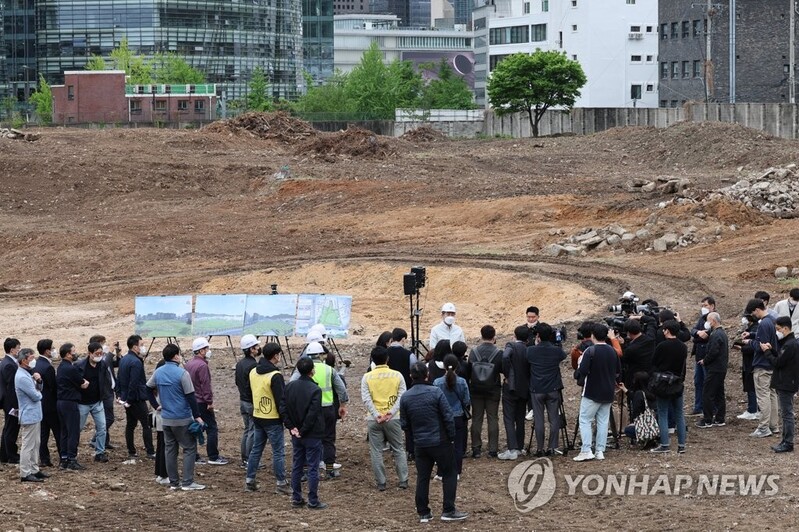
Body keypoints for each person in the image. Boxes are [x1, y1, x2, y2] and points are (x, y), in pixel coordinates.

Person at [400, 363, 467, 523]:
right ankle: (448, 510)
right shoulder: (435, 392)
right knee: (449, 473)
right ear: (427, 374)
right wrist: (450, 437)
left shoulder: (406, 397)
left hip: (420, 443)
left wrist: (414, 436)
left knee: (423, 477)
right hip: (440, 441)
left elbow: (404, 423)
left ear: (411, 376)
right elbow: (448, 416)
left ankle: (423, 512)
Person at [146, 344, 206, 491]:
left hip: (166, 419)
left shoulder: (158, 372)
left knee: (170, 450)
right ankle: (187, 482)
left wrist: (155, 405)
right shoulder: (182, 373)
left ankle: (174, 482)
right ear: (175, 356)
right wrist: (197, 416)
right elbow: (191, 396)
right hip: (182, 418)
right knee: (189, 448)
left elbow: (147, 388)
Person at [289, 341, 348, 478]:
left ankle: (304, 471)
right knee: (328, 439)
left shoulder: (302, 369)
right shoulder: (329, 370)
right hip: (327, 409)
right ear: (321, 355)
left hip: (308, 409)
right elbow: (342, 390)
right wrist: (342, 405)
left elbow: (291, 384)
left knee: (305, 438)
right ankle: (329, 470)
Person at [281, 357, 327, 510]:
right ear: (311, 370)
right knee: (313, 467)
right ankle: (313, 500)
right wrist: (303, 430)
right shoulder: (315, 390)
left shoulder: (290, 387)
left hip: (296, 434)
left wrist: (292, 427)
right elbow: (312, 414)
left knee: (297, 466)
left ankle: (296, 497)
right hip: (311, 434)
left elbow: (283, 409)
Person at [361, 346, 408, 491]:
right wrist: (391, 413)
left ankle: (381, 482)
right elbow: (402, 396)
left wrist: (376, 414)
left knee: (376, 451)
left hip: (374, 419)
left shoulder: (367, 377)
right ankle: (403, 480)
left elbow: (366, 398)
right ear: (387, 359)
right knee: (398, 449)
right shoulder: (397, 375)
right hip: (393, 419)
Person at [573, 323, 621, 462]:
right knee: (602, 421)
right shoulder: (612, 351)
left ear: (593, 335)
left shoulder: (590, 351)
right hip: (608, 391)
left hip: (592, 390)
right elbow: (618, 371)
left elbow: (582, 371)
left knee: (585, 420)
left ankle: (586, 449)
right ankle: (600, 450)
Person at [246, 342, 290, 494]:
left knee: (256, 449)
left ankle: (250, 480)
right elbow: (281, 400)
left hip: (258, 415)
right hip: (272, 418)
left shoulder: (253, 371)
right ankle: (281, 483)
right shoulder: (275, 376)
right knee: (278, 452)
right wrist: (287, 420)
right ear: (275, 356)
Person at [185, 337, 228, 465]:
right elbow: (205, 385)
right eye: (207, 348)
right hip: (202, 402)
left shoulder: (188, 364)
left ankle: (194, 455)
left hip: (191, 401)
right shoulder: (202, 365)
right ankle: (213, 456)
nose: (208, 351)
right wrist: (209, 402)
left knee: (194, 428)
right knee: (212, 429)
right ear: (201, 351)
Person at [527, 323, 567, 456]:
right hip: (553, 388)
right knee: (554, 418)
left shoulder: (531, 350)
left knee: (538, 419)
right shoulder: (556, 350)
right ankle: (552, 447)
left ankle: (539, 448)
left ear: (537, 335)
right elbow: (562, 355)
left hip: (537, 389)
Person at [649, 321, 688, 454]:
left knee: (663, 413)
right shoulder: (683, 346)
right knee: (679, 414)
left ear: (667, 331)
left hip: (663, 383)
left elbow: (654, 363)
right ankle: (682, 445)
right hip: (677, 383)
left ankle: (665, 444)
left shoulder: (661, 346)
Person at [744, 298, 780, 438]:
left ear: (757, 310)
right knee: (772, 395)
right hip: (771, 365)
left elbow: (762, 345)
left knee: (763, 396)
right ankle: (773, 425)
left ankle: (764, 427)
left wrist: (750, 342)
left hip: (762, 365)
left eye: (753, 312)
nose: (753, 315)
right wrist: (752, 334)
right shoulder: (771, 320)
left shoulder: (764, 323)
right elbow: (768, 338)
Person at [763, 316, 799, 453]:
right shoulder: (790, 343)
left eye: (778, 329)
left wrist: (767, 352)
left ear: (785, 328)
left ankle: (788, 442)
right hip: (787, 382)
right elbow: (781, 358)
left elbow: (778, 363)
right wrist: (772, 350)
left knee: (787, 414)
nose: (777, 332)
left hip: (786, 383)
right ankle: (785, 440)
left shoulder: (790, 345)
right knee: (786, 413)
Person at [118, 335, 156, 459]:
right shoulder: (136, 361)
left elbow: (119, 378)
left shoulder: (124, 359)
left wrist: (120, 396)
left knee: (130, 424)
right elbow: (133, 383)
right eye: (141, 345)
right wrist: (129, 399)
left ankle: (131, 450)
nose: (143, 347)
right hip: (136, 398)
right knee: (146, 424)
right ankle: (150, 451)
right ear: (135, 347)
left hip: (127, 398)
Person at [468, 325, 502, 459]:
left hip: (476, 389)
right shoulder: (498, 352)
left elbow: (469, 369)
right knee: (493, 417)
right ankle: (493, 449)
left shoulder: (474, 351)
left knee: (477, 417)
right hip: (493, 389)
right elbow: (502, 369)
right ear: (494, 336)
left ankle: (476, 448)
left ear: (481, 336)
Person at [432, 354, 470, 477]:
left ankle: (441, 472)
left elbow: (434, 401)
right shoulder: (462, 382)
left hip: (442, 418)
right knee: (458, 446)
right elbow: (466, 401)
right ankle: (456, 471)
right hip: (458, 416)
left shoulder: (437, 382)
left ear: (443, 366)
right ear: (457, 366)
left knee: (442, 445)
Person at [15, 348, 47, 482]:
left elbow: (38, 389)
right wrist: (39, 393)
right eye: (31, 358)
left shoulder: (27, 374)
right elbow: (35, 396)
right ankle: (25, 472)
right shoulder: (22, 376)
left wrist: (39, 381)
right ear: (24, 361)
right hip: (29, 414)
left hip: (34, 414)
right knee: (28, 445)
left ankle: (34, 469)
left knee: (36, 443)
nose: (34, 361)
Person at [56, 343, 90, 470]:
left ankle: (64, 458)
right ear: (68, 354)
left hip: (61, 402)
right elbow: (83, 383)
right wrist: (84, 383)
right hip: (70, 403)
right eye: (73, 352)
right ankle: (72, 459)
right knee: (73, 431)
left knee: (64, 431)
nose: (75, 354)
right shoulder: (71, 369)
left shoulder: (60, 367)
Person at [499, 326, 530, 460]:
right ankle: (520, 447)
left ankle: (512, 449)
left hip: (511, 387)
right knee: (520, 418)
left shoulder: (511, 345)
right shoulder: (528, 349)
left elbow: (505, 356)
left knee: (509, 418)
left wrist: (507, 374)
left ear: (515, 335)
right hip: (525, 387)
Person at [75, 342, 110, 462]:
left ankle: (100, 452)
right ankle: (72, 453)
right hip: (82, 403)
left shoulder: (102, 364)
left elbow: (106, 380)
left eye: (101, 353)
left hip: (97, 402)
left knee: (102, 427)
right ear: (89, 353)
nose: (99, 356)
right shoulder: (79, 366)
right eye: (97, 353)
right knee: (77, 428)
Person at [696, 312, 728, 428]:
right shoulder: (721, 333)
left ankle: (707, 419)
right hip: (721, 368)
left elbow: (713, 351)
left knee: (707, 392)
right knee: (719, 393)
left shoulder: (716, 335)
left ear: (713, 321)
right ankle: (720, 418)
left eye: (709, 320)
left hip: (715, 368)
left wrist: (705, 360)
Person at [620, 319, 654, 420]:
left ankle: (636, 423)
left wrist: (621, 344)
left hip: (635, 379)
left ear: (628, 333)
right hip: (650, 376)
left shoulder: (631, 349)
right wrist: (639, 316)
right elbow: (651, 322)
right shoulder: (650, 339)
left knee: (635, 402)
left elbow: (624, 359)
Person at [34, 339, 60, 467]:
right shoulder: (48, 367)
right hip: (50, 405)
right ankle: (63, 456)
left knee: (43, 434)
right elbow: (53, 387)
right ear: (47, 351)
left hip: (40, 404)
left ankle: (44, 458)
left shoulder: (37, 364)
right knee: (58, 432)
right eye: (52, 348)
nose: (54, 350)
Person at [236, 334, 260, 467]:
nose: (258, 348)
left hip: (242, 401)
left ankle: (245, 458)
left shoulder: (239, 364)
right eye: (256, 346)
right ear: (251, 349)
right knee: (252, 430)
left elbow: (237, 382)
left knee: (247, 430)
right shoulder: (253, 365)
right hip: (251, 402)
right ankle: (250, 460)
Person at [689, 297, 716, 415]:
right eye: (702, 306)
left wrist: (700, 335)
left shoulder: (715, 319)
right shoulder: (701, 319)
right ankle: (698, 406)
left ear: (712, 306)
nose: (703, 308)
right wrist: (698, 333)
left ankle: (711, 407)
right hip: (698, 355)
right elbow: (693, 330)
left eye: (706, 305)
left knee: (708, 382)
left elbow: (709, 335)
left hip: (707, 356)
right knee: (698, 381)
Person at [734, 313, 760, 420]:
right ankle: (755, 408)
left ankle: (752, 409)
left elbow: (754, 346)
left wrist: (741, 348)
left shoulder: (755, 328)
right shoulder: (750, 328)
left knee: (751, 386)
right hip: (749, 361)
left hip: (752, 362)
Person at [0, 337, 22, 464]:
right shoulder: (9, 365)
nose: (19, 350)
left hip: (7, 401)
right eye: (18, 348)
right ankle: (11, 455)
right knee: (11, 429)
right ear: (12, 349)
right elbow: (12, 387)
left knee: (8, 428)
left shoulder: (6, 362)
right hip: (10, 403)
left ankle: (4, 454)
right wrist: (15, 405)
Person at [620, 372, 656, 445]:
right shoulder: (650, 392)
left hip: (644, 425)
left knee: (628, 430)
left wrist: (633, 423)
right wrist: (625, 389)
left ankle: (645, 437)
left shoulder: (638, 394)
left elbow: (636, 411)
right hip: (654, 425)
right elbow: (633, 397)